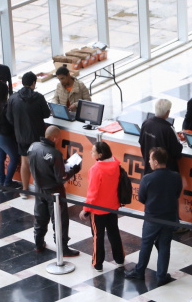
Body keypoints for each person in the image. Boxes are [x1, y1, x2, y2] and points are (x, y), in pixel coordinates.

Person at [126, 147, 182, 286]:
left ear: (156, 162)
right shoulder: (176, 177)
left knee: (146, 244)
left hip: (152, 217)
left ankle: (139, 272)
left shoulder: (148, 178)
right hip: (169, 217)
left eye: (150, 159)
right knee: (164, 246)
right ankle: (162, 275)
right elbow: (177, 194)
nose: (149, 161)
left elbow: (141, 198)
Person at [28, 126, 81, 256]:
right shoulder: (55, 153)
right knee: (59, 219)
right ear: (55, 138)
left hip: (39, 189)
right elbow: (61, 177)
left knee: (40, 217)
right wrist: (74, 170)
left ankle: (38, 244)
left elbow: (43, 164)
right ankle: (63, 248)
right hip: (54, 192)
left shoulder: (33, 147)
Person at [78, 141, 123, 272]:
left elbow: (92, 193)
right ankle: (119, 259)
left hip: (98, 210)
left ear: (100, 154)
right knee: (114, 233)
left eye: (93, 151)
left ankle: (98, 263)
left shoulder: (95, 170)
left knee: (98, 236)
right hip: (113, 207)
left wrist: (85, 210)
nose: (91, 153)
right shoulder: (116, 164)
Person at [6, 72, 51, 196]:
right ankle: (40, 191)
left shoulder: (13, 98)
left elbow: (9, 118)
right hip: (38, 136)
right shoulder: (39, 97)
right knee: (39, 163)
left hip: (21, 137)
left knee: (25, 162)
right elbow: (46, 114)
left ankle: (25, 190)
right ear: (33, 83)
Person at [139, 98, 182, 175]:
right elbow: (177, 151)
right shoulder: (168, 129)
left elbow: (141, 142)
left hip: (149, 168)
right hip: (166, 173)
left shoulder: (146, 123)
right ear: (167, 112)